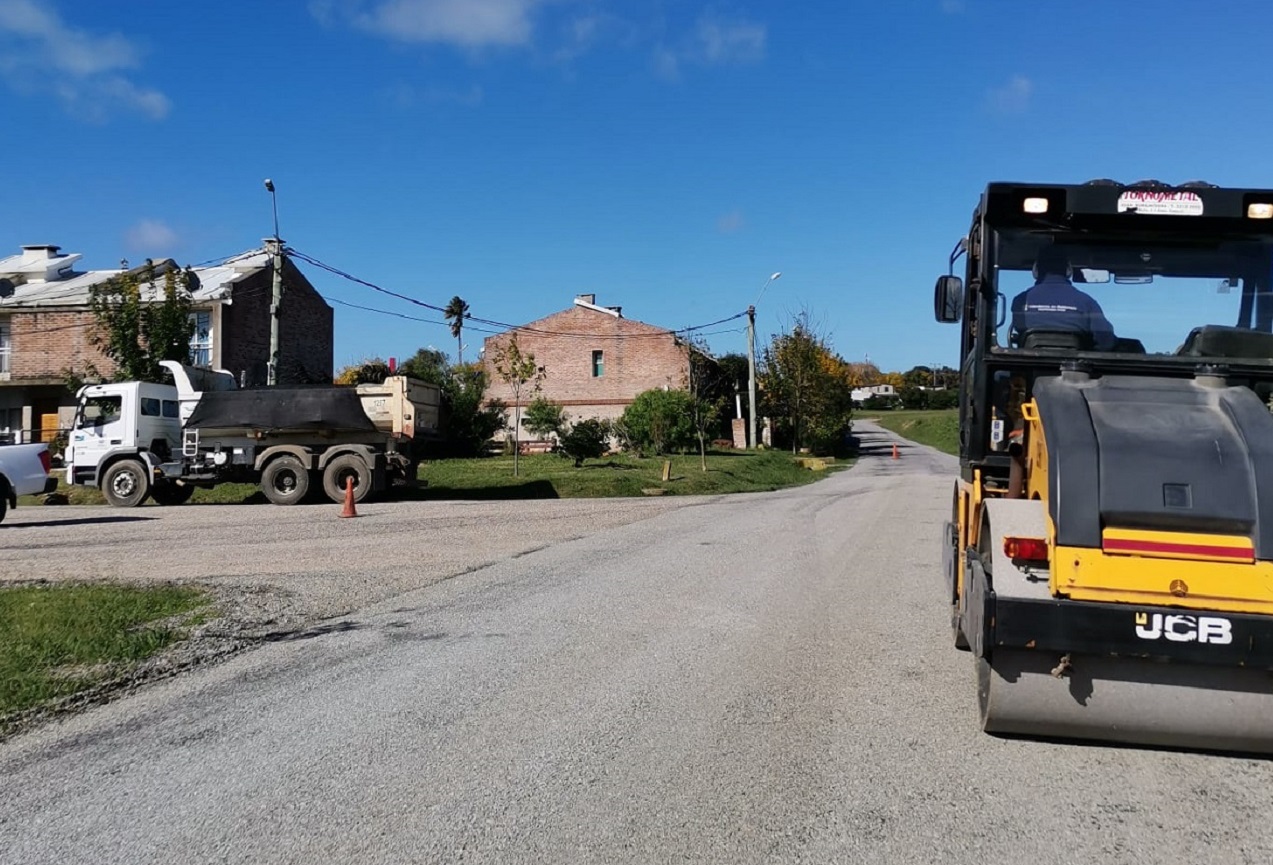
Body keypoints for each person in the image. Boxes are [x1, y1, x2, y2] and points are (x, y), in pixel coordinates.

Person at [1011, 247, 1118, 350]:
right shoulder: (1086, 302)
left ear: (1035, 270)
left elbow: (1019, 333)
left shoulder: (1021, 300)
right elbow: (1106, 340)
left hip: (1031, 363)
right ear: (1069, 270)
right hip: (1075, 363)